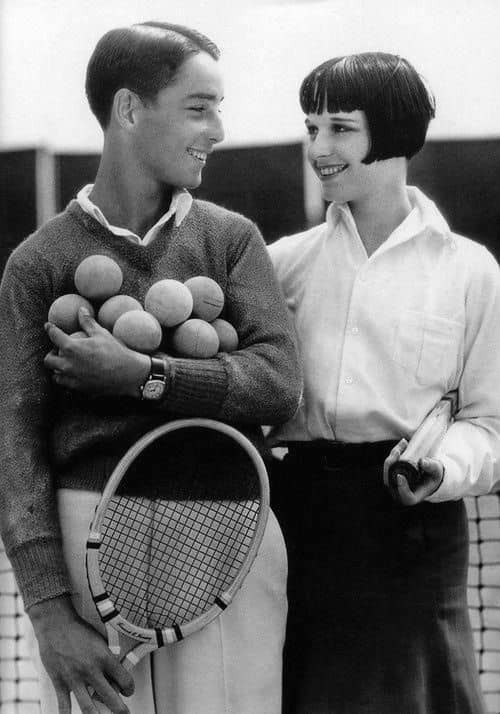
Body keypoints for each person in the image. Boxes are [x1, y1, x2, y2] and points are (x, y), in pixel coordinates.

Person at [0, 22, 301, 714]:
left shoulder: (231, 240)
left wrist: (143, 374)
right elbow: (15, 452)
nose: (219, 129)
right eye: (200, 107)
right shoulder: (38, 262)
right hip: (90, 542)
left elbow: (280, 385)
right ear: (130, 110)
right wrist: (48, 614)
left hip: (231, 533)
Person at [267, 52, 500, 714]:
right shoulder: (282, 265)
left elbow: (489, 425)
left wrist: (443, 468)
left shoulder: (471, 271)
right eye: (312, 128)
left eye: (341, 128)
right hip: (303, 528)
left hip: (415, 538)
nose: (320, 148)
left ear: (394, 132)